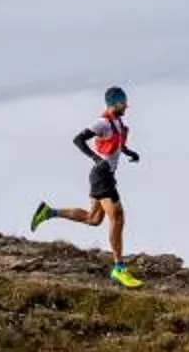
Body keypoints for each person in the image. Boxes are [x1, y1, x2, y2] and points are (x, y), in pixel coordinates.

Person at [30, 86, 142, 287]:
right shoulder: (102, 123)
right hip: (101, 175)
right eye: (123, 101)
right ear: (114, 102)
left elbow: (117, 145)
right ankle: (119, 268)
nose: (127, 105)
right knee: (117, 217)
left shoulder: (118, 124)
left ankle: (49, 212)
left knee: (94, 219)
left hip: (105, 175)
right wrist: (95, 158)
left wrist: (129, 152)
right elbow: (78, 139)